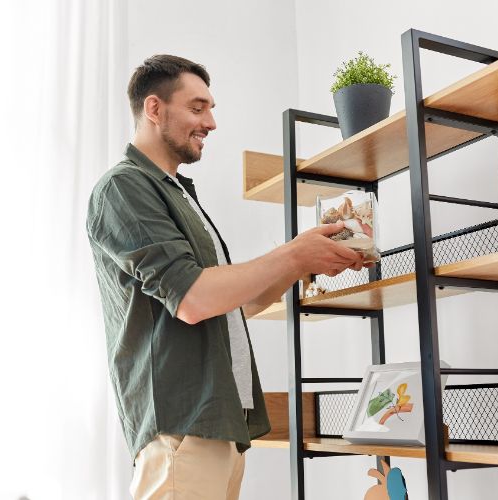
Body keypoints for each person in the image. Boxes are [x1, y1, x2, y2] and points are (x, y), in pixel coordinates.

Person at [86, 54, 365, 500]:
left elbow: (237, 305)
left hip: (218, 426)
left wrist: (302, 260)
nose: (211, 122)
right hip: (183, 428)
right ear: (154, 109)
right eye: (198, 108)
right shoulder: (125, 188)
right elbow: (193, 299)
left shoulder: (176, 193)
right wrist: (293, 252)